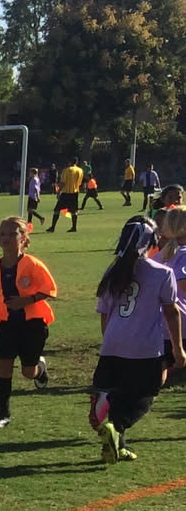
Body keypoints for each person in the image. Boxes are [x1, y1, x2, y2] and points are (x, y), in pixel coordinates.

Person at [89, 210, 185, 461]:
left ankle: (116, 444)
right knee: (146, 394)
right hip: (145, 346)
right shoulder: (161, 272)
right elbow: (171, 312)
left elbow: (104, 313)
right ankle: (116, 424)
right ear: (151, 241)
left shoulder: (112, 271)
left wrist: (108, 342)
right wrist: (178, 348)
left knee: (122, 392)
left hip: (113, 344)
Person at [0, 215, 56, 429]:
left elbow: (49, 289)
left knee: (27, 372)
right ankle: (2, 414)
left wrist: (27, 300)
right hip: (6, 323)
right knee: (4, 367)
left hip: (33, 324)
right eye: (2, 234)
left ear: (23, 238)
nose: (6, 238)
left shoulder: (32, 264)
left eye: (12, 234)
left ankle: (39, 369)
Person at [53, 157, 84, 233]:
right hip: (75, 192)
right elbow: (80, 182)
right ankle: (74, 227)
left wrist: (59, 191)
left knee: (57, 209)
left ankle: (53, 227)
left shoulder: (66, 170)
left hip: (66, 193)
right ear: (76, 162)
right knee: (74, 211)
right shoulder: (80, 170)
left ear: (69, 162)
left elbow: (63, 182)